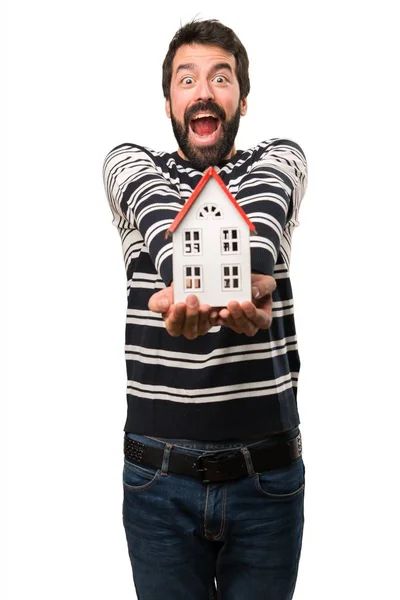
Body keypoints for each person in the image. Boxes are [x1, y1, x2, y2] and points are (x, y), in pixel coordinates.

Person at [103, 18, 308, 600]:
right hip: (157, 482)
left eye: (222, 77)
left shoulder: (280, 161)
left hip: (266, 477)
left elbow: (264, 218)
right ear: (168, 99)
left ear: (242, 95)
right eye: (185, 78)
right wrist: (187, 281)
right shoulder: (130, 166)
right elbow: (157, 212)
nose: (203, 90)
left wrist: (244, 276)